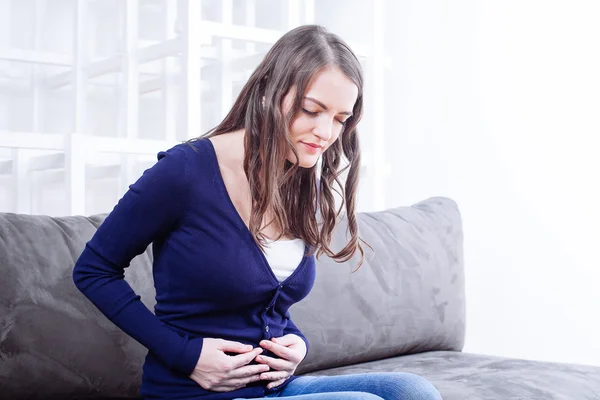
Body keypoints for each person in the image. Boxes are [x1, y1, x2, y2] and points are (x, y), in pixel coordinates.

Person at [73, 25, 442, 400]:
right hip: (195, 392)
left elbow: (264, 306)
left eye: (339, 118)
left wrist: (297, 345)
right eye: (311, 110)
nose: (325, 132)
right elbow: (93, 270)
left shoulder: (300, 178)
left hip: (270, 387)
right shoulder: (185, 172)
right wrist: (184, 354)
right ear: (268, 92)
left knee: (411, 390)